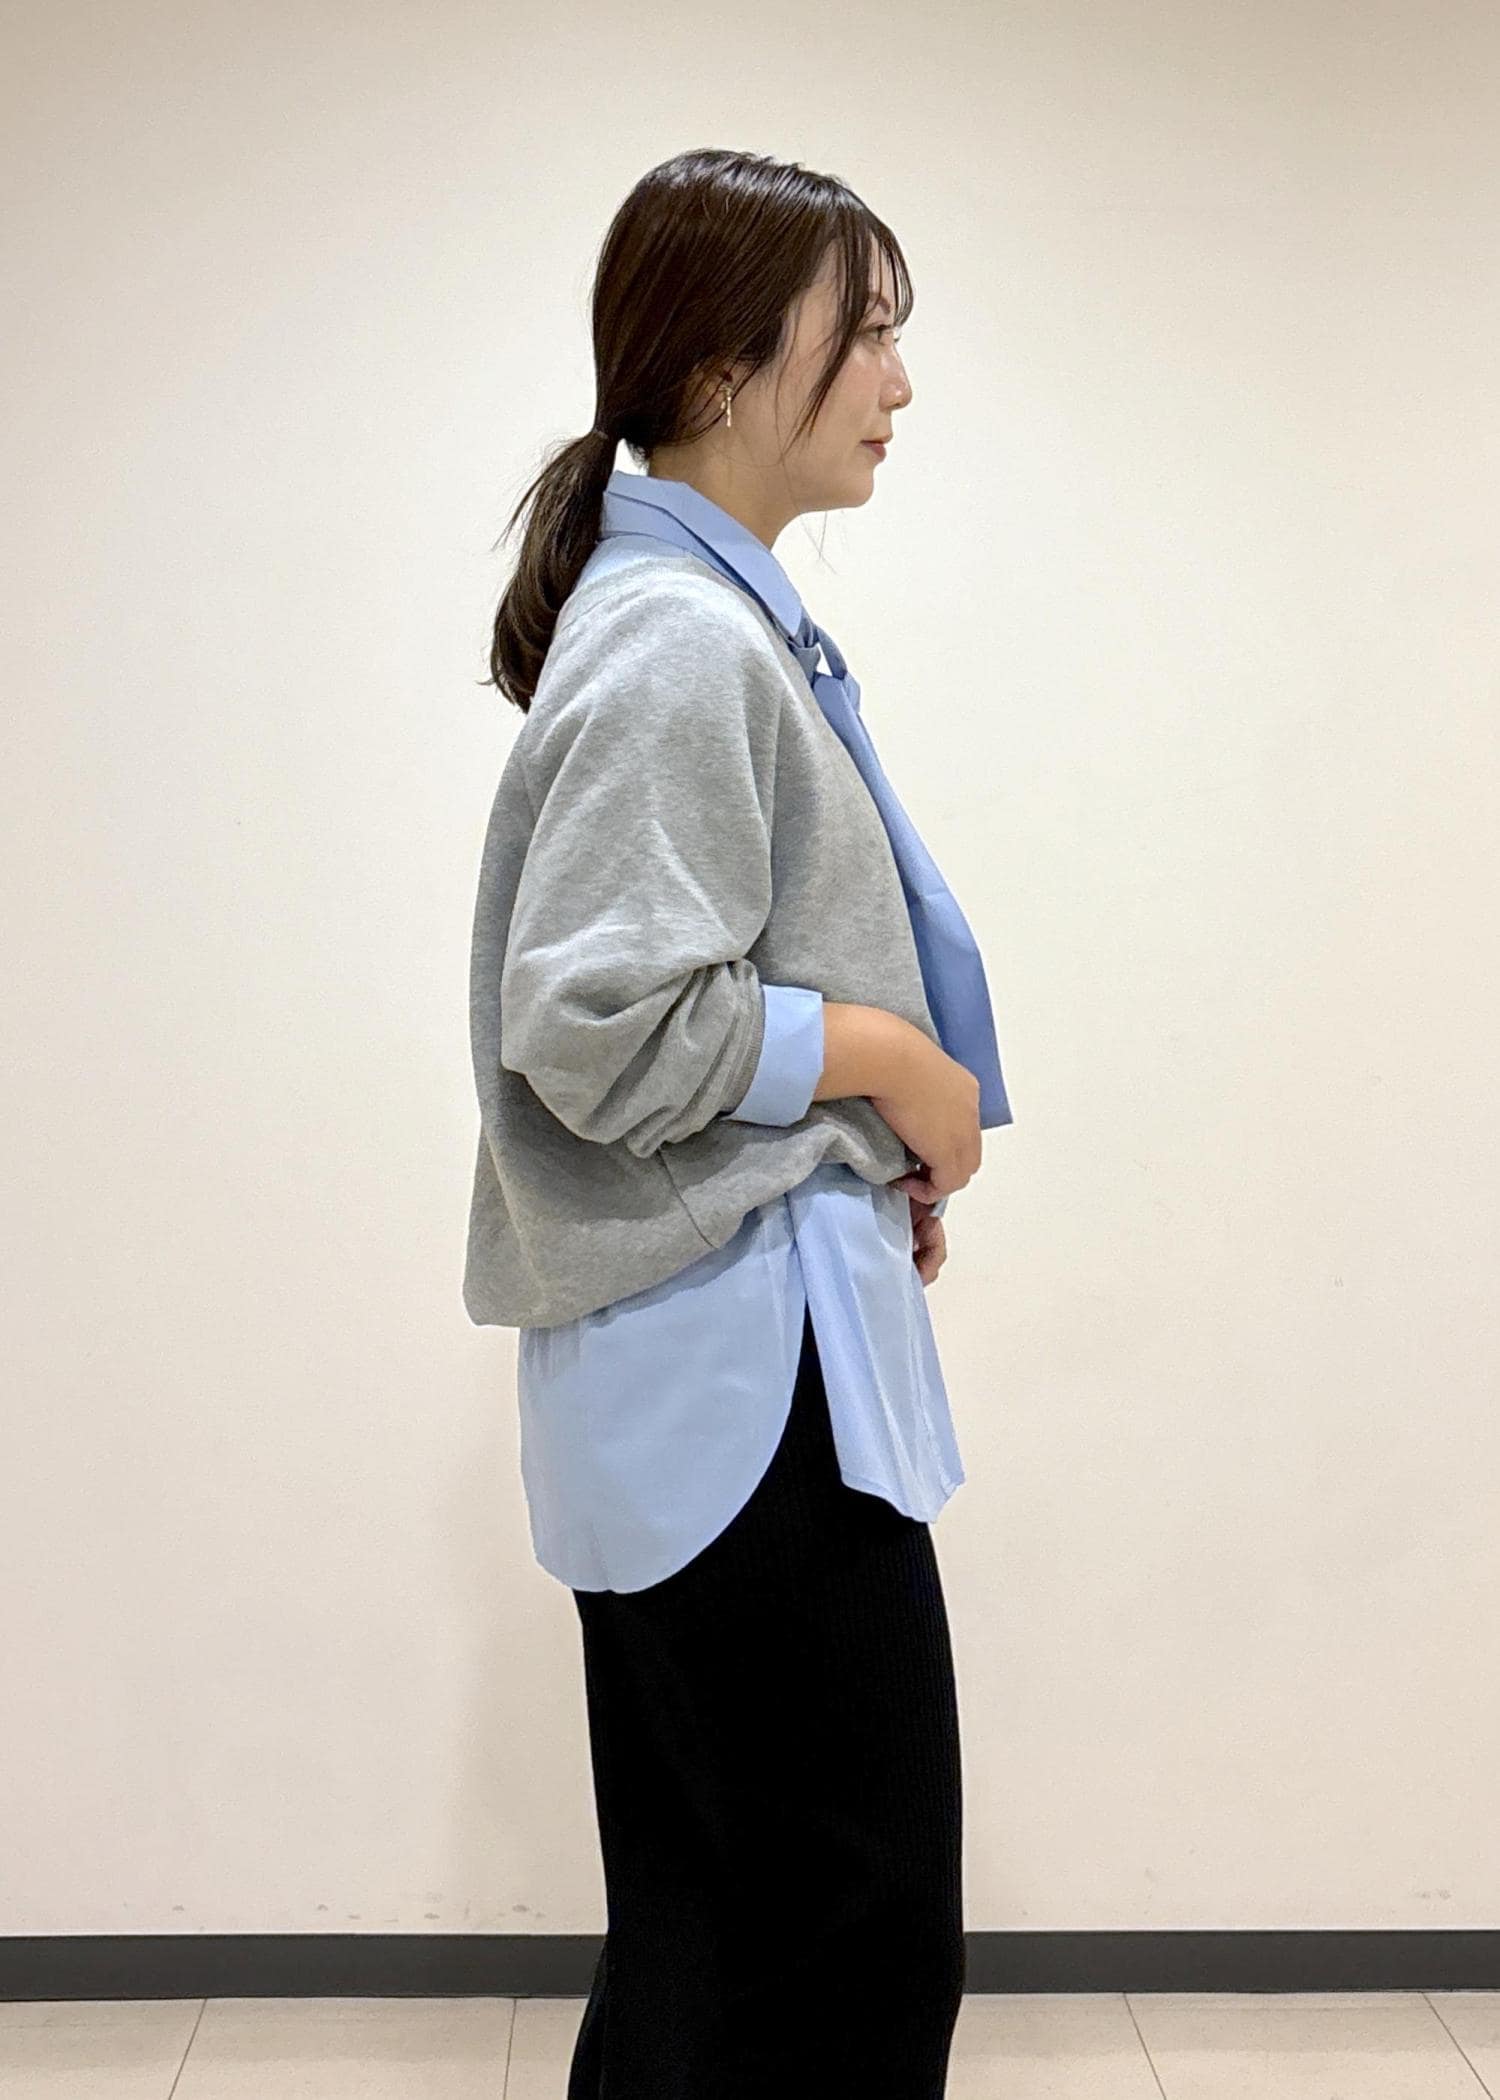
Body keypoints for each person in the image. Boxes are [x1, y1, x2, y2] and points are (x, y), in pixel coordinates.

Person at [467, 145, 1013, 2100]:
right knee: (843, 1957)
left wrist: (858, 1144)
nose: (898, 380)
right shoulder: (684, 639)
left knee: (719, 1945)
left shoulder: (691, 616)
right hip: (739, 1389)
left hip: (726, 1361)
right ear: (717, 365)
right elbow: (595, 1022)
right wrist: (882, 1063)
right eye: (863, 334)